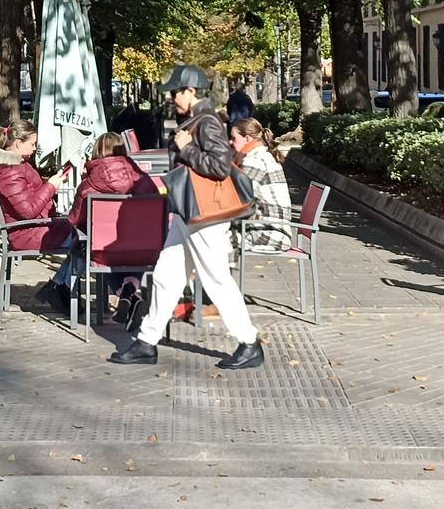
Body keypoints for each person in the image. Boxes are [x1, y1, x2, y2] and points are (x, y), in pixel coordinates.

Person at [110, 65, 264, 370]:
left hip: (203, 216)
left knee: (216, 278)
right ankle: (146, 341)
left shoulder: (206, 122)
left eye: (175, 92)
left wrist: (187, 148)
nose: (172, 98)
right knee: (167, 275)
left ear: (191, 91)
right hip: (189, 214)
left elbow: (219, 166)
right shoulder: (197, 120)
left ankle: (249, 342)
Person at [36, 132, 156, 309]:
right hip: (141, 250)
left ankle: (61, 285)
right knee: (94, 245)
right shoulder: (143, 180)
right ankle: (128, 292)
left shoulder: (89, 186)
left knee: (83, 241)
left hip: (103, 251)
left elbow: (74, 220)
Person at [0, 116, 77, 262]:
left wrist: (53, 184)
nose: (34, 148)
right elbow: (28, 211)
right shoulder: (9, 172)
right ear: (18, 143)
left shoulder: (16, 166)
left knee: (84, 233)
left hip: (37, 227)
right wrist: (50, 186)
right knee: (85, 239)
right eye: (32, 144)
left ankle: (60, 282)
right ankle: (62, 282)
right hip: (27, 233)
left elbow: (29, 194)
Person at [230, 117, 294, 253]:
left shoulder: (254, 160)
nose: (230, 142)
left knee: (207, 236)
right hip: (276, 229)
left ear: (247, 139)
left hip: (269, 233)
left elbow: (237, 198)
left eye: (233, 138)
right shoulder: (263, 155)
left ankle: (217, 273)